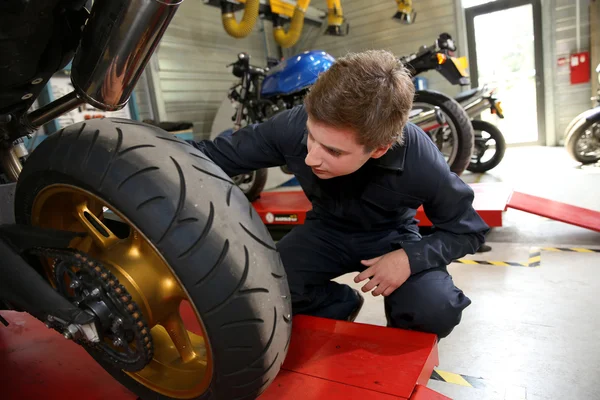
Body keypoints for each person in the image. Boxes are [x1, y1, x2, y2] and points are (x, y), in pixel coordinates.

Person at [190, 50, 490, 339]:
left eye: (333, 150)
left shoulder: (419, 159)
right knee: (266, 290)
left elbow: (468, 231)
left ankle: (401, 343)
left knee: (434, 309)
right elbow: (213, 155)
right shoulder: (293, 124)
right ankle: (338, 305)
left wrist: (410, 258)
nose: (310, 158)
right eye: (311, 136)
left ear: (380, 148)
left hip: (391, 236)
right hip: (325, 231)